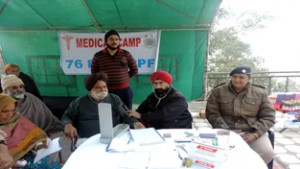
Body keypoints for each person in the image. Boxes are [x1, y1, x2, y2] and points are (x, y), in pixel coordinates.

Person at [205, 65, 275, 164]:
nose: (237, 80)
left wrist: (255, 134)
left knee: (266, 153)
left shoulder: (260, 93)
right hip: (225, 129)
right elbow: (212, 113)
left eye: (241, 77)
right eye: (234, 77)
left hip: (251, 130)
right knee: (215, 154)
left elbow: (268, 116)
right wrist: (225, 130)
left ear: (249, 79)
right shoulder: (219, 91)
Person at [61, 72, 144, 139]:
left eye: (104, 87)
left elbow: (126, 115)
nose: (102, 90)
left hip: (112, 136)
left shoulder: (114, 99)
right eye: (98, 87)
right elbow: (67, 116)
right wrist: (68, 124)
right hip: (87, 139)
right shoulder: (79, 102)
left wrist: (135, 123)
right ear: (90, 89)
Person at [0, 94, 61, 169]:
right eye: (4, 111)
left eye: (12, 110)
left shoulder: (19, 120)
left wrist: (38, 145)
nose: (9, 115)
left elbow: (34, 138)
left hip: (29, 156)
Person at [91, 29, 138, 109]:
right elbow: (94, 73)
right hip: (106, 91)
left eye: (117, 39)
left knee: (126, 113)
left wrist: (124, 77)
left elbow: (134, 70)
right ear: (106, 41)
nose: (114, 41)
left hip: (125, 91)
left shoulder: (126, 54)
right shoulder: (98, 56)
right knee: (108, 113)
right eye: (111, 39)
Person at [128, 70, 193, 129]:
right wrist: (134, 117)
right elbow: (141, 110)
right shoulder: (153, 96)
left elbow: (164, 115)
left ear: (168, 83)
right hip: (160, 126)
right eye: (155, 83)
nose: (158, 86)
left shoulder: (178, 98)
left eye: (161, 83)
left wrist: (141, 116)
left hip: (178, 128)